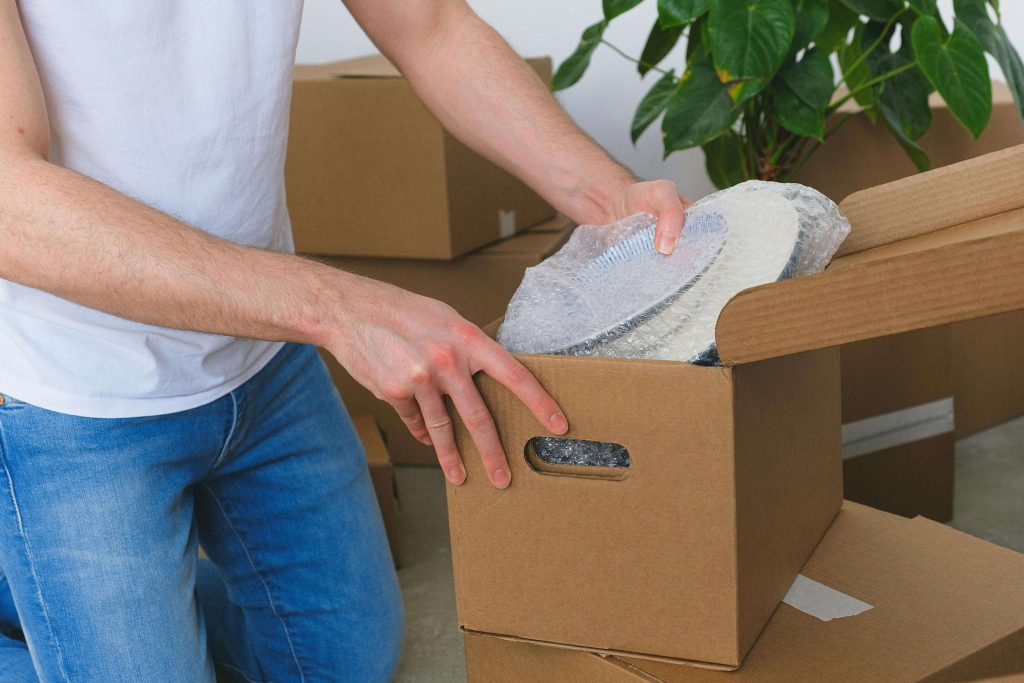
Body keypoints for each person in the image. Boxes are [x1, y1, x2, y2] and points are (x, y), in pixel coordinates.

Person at [0, 1, 689, 681]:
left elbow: (430, 25)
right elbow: (9, 195)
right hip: (76, 397)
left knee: (341, 663)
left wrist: (609, 199)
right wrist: (339, 307)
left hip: (265, 358)